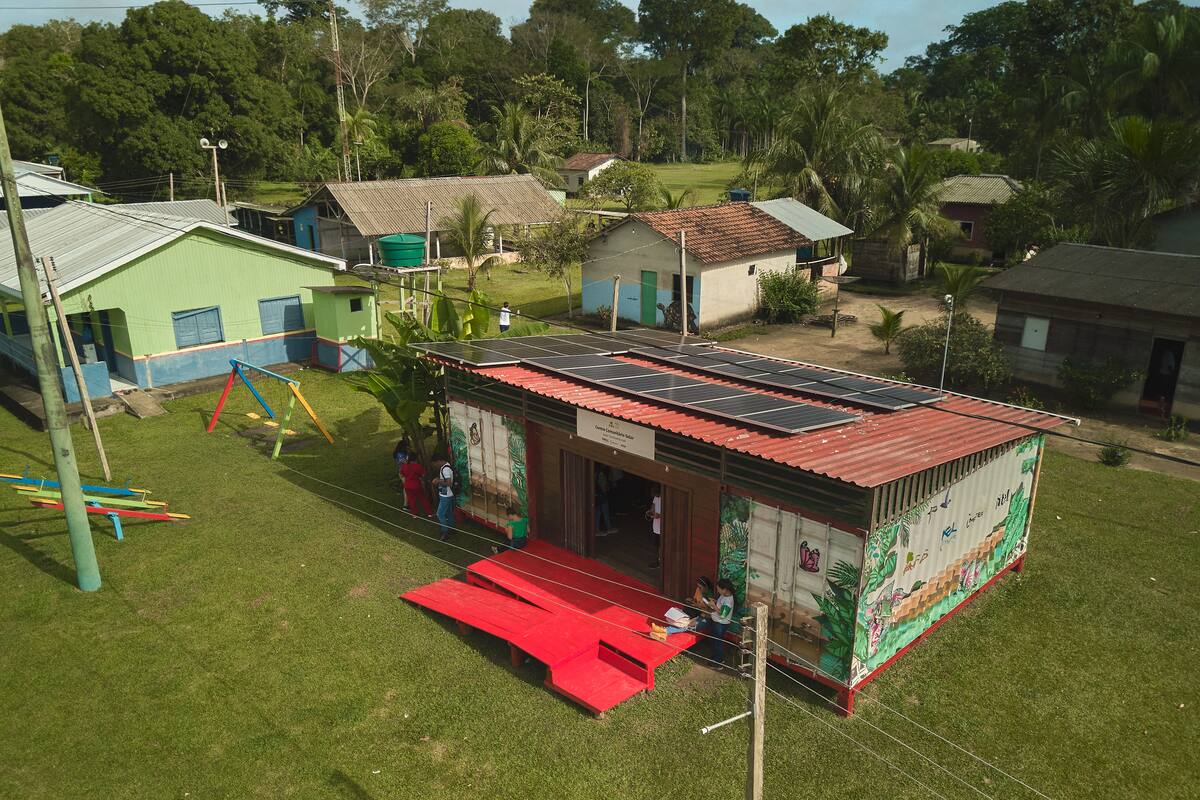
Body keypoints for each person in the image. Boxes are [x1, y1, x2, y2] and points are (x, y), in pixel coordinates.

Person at [695, 578, 736, 663]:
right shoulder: (724, 595)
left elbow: (723, 614)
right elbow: (721, 606)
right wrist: (716, 602)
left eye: (718, 589)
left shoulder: (728, 601)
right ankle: (715, 657)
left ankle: (718, 661)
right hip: (717, 622)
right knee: (715, 641)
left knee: (718, 642)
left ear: (724, 589)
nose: (717, 591)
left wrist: (714, 606)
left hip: (721, 624)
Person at [434, 455, 456, 541]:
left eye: (436, 463)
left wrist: (438, 481)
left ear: (440, 460)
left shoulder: (445, 469)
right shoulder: (446, 466)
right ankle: (451, 528)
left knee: (440, 514)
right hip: (448, 494)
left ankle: (445, 531)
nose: (435, 465)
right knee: (449, 512)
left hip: (446, 495)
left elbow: (449, 482)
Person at [594, 467, 616, 537]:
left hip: (596, 495)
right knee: (603, 511)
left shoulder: (595, 472)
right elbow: (604, 488)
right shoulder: (601, 474)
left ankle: (598, 529)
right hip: (601, 496)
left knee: (598, 512)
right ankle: (605, 528)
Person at [647, 486, 662, 569]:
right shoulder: (656, 498)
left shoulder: (665, 499)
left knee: (661, 546)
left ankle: (660, 562)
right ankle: (658, 561)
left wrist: (658, 515)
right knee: (656, 545)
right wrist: (650, 512)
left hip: (662, 528)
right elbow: (653, 506)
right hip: (656, 527)